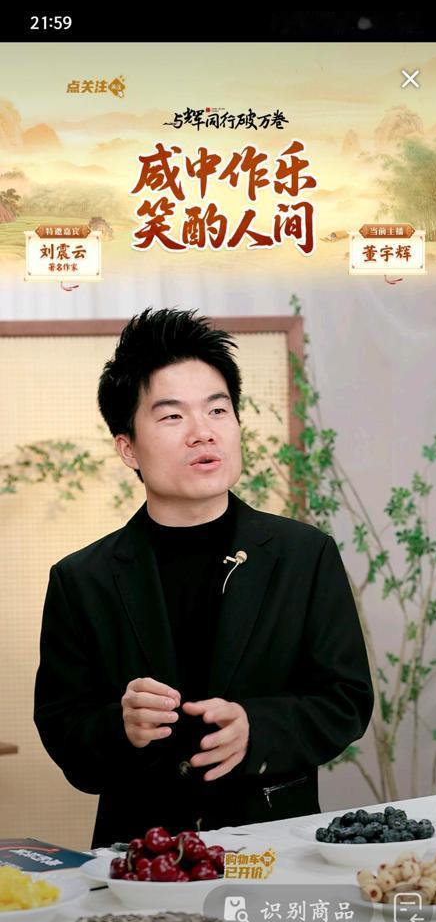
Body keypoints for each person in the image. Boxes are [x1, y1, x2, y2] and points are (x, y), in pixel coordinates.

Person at [34, 308, 374, 847]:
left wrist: (257, 728)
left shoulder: (304, 555)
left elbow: (346, 699)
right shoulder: (82, 580)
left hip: (273, 849)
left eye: (218, 410)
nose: (202, 433)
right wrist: (121, 726)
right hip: (140, 859)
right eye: (172, 416)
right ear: (128, 447)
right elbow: (62, 726)